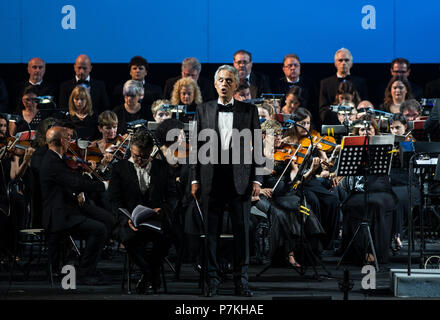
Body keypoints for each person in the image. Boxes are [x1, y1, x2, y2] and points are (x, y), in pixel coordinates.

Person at [191, 65, 263, 297]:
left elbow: (259, 148)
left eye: (229, 80)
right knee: (210, 233)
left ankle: (241, 281)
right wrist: (194, 179)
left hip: (240, 181)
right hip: (210, 179)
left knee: (242, 233)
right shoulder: (203, 109)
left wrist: (258, 180)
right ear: (214, 84)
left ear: (236, 85)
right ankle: (212, 280)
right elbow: (196, 147)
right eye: (220, 80)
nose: (224, 84)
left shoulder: (248, 111)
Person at [40, 126, 113, 285]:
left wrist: (77, 191)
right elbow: (74, 182)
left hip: (68, 206)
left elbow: (69, 182)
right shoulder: (53, 161)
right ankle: (84, 273)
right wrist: (104, 185)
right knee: (99, 230)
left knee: (106, 220)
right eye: (68, 138)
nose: (71, 142)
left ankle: (88, 265)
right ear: (61, 140)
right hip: (59, 215)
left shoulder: (56, 158)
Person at [108, 128, 171, 294]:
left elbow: (173, 196)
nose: (139, 160)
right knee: (129, 238)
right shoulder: (119, 168)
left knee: (167, 236)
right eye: (136, 156)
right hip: (128, 221)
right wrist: (126, 218)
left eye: (144, 156)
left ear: (151, 152)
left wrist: (162, 210)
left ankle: (148, 275)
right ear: (131, 150)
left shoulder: (162, 167)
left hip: (155, 220)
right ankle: (150, 274)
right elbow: (114, 201)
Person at [338, 116, 397, 265]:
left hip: (381, 191)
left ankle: (375, 252)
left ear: (375, 131)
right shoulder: (352, 148)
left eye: (369, 129)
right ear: (357, 132)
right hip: (359, 192)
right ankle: (359, 252)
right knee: (353, 205)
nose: (366, 132)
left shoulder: (384, 147)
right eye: (362, 129)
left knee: (377, 205)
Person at [319, 48, 368, 125]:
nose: (343, 63)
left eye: (346, 60)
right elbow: (323, 110)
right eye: (340, 60)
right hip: (332, 125)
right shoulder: (325, 83)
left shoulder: (360, 82)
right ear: (335, 63)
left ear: (351, 63)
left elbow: (364, 106)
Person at [112, 56, 162, 121]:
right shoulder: (119, 89)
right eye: (134, 68)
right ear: (130, 72)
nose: (137, 71)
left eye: (140, 68)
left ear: (146, 72)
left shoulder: (155, 90)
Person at [273, 54, 318, 124]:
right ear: (284, 69)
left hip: (305, 122)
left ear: (300, 67)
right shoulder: (277, 84)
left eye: (296, 65)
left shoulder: (309, 84)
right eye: (290, 65)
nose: (293, 68)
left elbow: (314, 106)